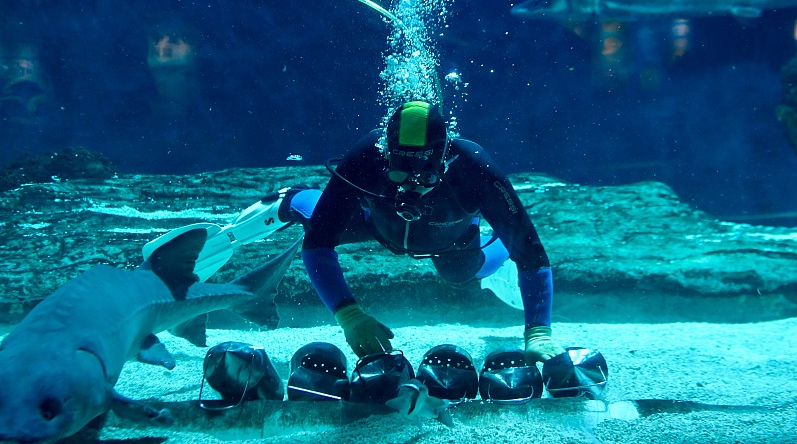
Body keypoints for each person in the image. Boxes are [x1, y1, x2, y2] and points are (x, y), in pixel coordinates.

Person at [237, 100, 566, 368]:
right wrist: (348, 314)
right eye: (398, 172)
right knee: (316, 219)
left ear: (444, 159)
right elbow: (318, 243)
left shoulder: (473, 167)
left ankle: (496, 252)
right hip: (377, 223)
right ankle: (290, 198)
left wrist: (538, 332)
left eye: (423, 177)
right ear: (386, 153)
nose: (409, 185)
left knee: (462, 272)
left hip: (450, 240)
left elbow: (532, 254)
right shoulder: (367, 156)